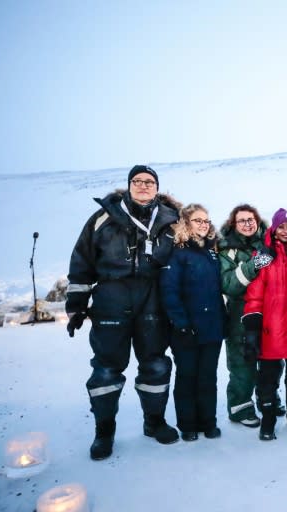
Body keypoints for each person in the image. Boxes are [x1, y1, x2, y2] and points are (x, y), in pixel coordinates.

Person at [66, 164, 181, 461]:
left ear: (157, 188)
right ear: (129, 185)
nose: (144, 186)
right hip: (111, 298)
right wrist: (76, 306)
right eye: (138, 181)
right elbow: (82, 260)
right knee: (106, 369)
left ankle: (154, 421)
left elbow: (186, 259)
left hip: (152, 299)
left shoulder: (171, 220)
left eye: (150, 182)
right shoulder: (103, 217)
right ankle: (104, 429)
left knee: (155, 365)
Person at [160, 204, 227, 442]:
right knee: (187, 376)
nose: (203, 224)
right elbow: (169, 291)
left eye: (206, 220)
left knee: (208, 377)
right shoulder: (177, 253)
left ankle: (208, 422)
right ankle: (188, 424)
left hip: (212, 328)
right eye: (198, 220)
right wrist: (181, 324)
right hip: (186, 330)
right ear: (186, 223)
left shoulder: (211, 252)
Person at [242, 208, 287, 440]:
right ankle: (268, 420)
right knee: (267, 380)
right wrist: (252, 329)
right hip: (269, 330)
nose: (285, 231)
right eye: (281, 226)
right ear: (273, 228)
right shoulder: (262, 255)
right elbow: (254, 294)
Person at [218, 204, 277, 427]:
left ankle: (267, 398)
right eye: (242, 220)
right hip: (240, 315)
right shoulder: (226, 249)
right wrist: (255, 264)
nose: (247, 223)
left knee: (272, 361)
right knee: (243, 363)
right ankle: (240, 406)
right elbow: (229, 285)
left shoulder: (270, 244)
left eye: (251, 219)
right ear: (234, 224)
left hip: (270, 313)